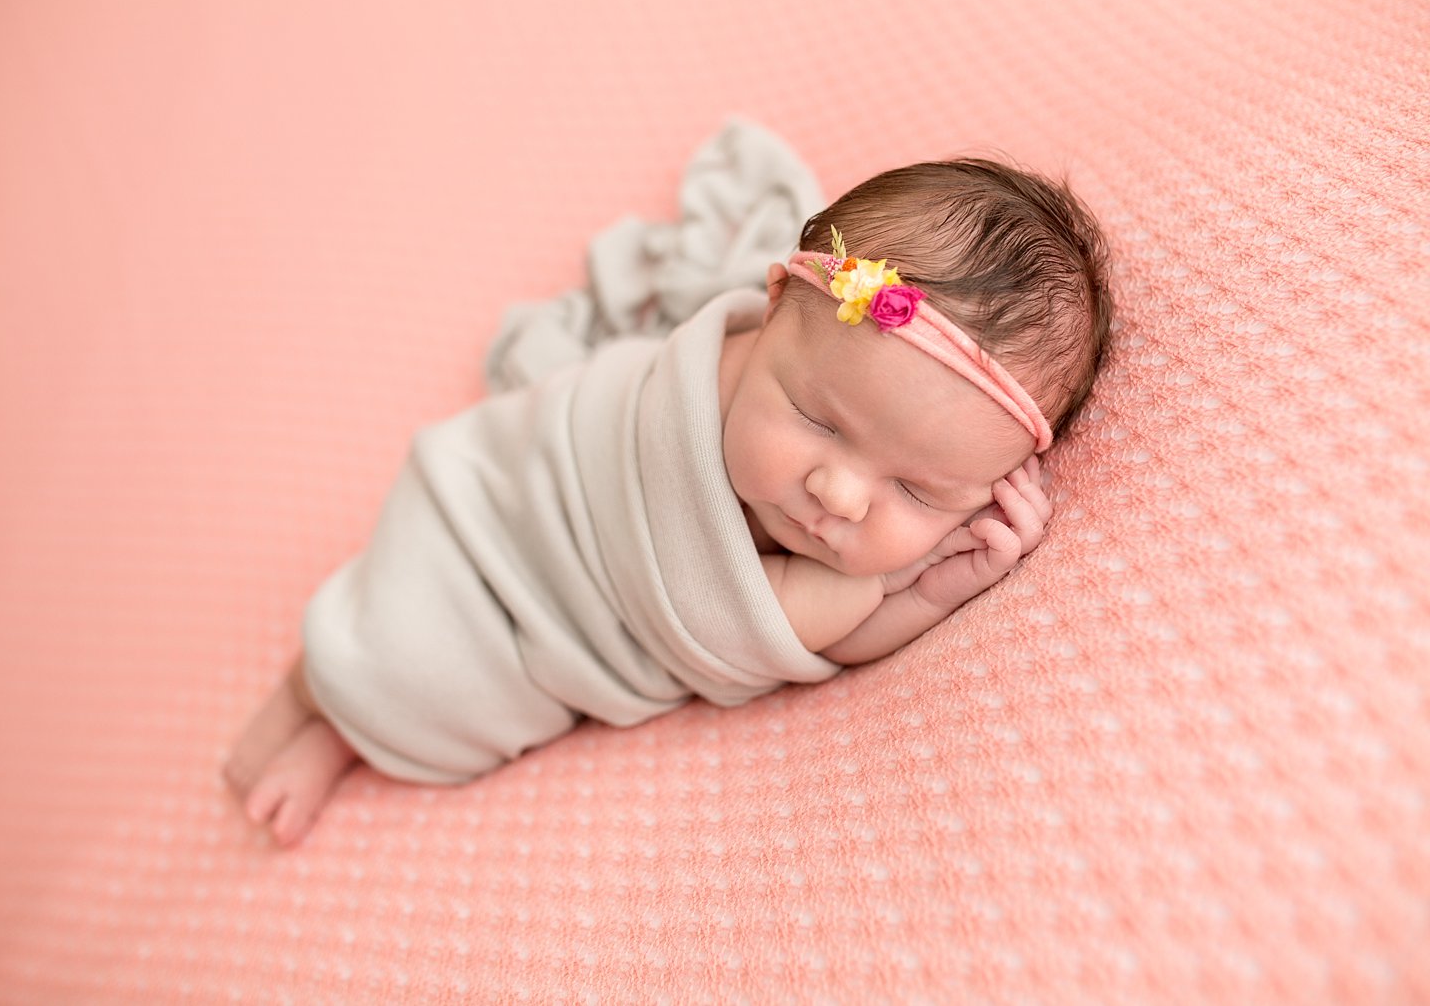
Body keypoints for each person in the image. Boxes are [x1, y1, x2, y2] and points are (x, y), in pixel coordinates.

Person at [224, 159, 1112, 847]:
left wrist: (942, 583)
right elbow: (804, 614)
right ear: (767, 317)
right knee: (414, 625)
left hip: (548, 625)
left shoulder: (861, 554)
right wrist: (894, 568)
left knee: (438, 681)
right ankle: (317, 682)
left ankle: (343, 721)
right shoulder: (706, 382)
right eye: (816, 418)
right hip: (503, 503)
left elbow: (833, 643)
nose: (837, 492)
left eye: (918, 489)